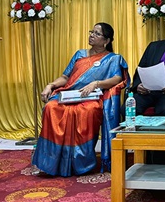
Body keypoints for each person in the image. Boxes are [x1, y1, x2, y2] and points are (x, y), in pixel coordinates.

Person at [32, 23, 128, 177]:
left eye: (97, 34)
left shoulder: (113, 59)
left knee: (87, 111)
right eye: (92, 32)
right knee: (51, 107)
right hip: (70, 94)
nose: (91, 35)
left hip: (91, 98)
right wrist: (50, 85)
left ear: (107, 40)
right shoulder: (80, 54)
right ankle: (52, 162)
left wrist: (96, 83)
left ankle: (80, 162)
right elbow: (65, 77)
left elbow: (117, 78)